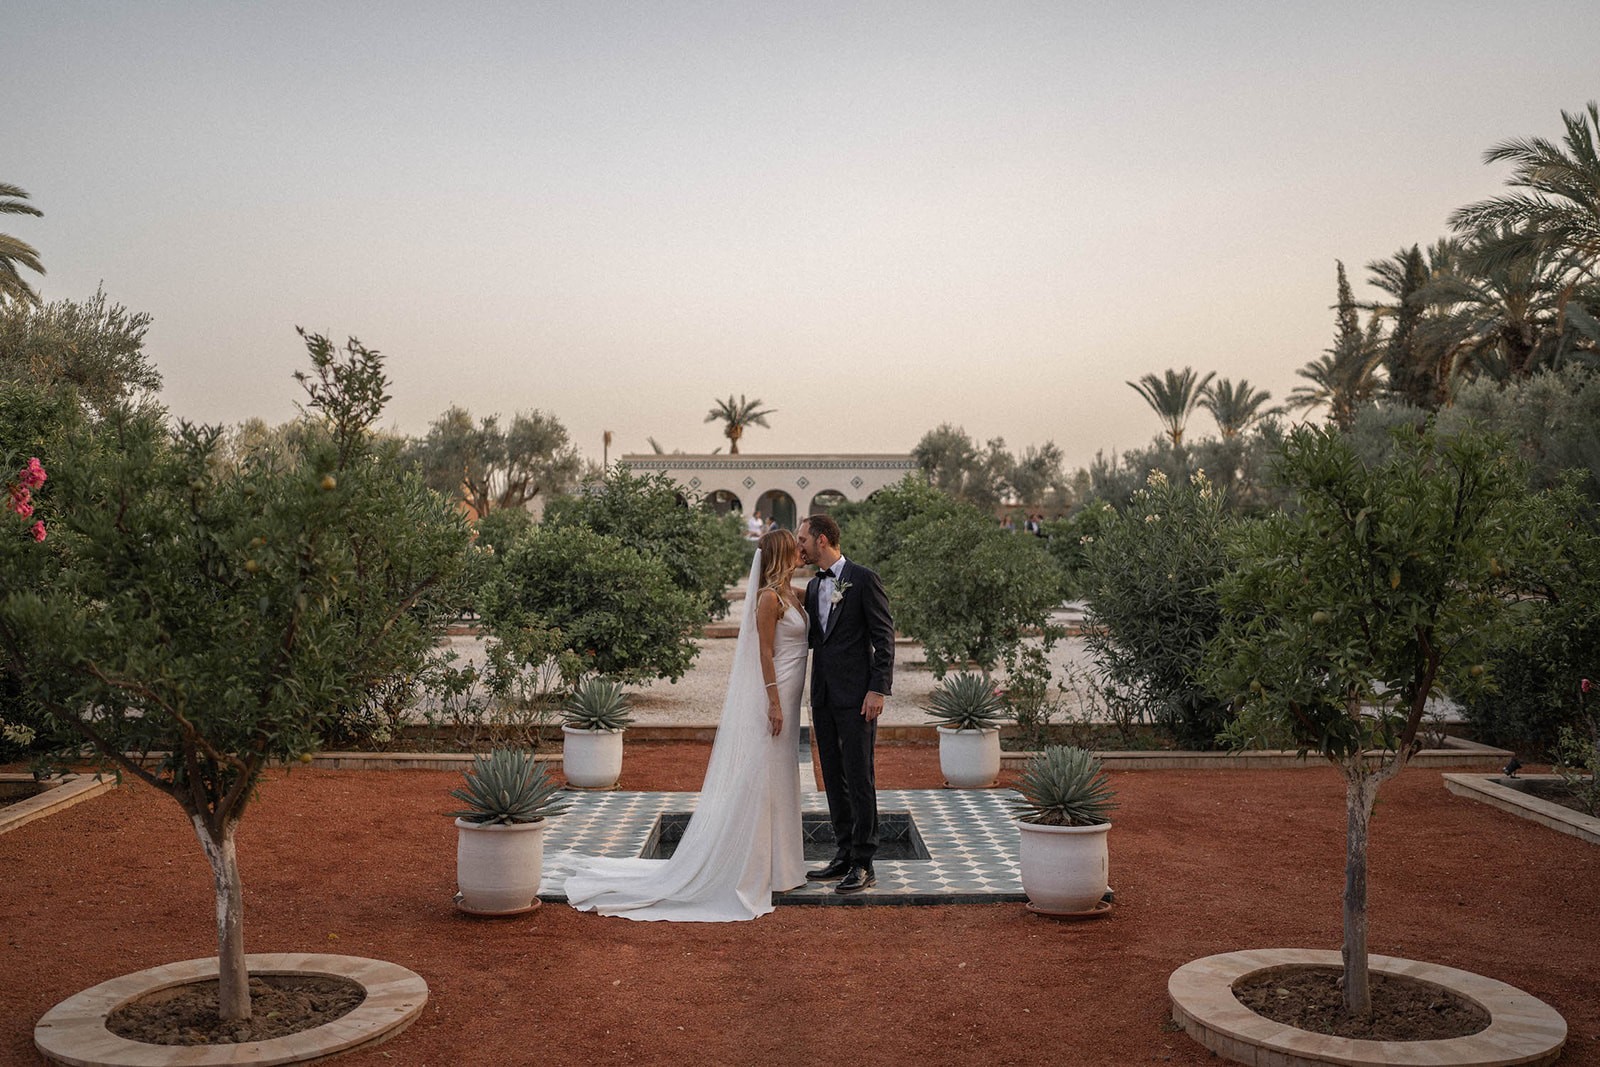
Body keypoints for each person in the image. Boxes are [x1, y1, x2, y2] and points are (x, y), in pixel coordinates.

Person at [558, 529, 807, 921]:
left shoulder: (794, 594)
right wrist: (773, 702)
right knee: (764, 775)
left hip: (794, 698)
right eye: (796, 547)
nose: (802, 550)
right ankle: (755, 865)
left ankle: (785, 865)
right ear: (782, 554)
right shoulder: (769, 599)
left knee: (783, 774)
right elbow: (764, 651)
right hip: (776, 697)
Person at [796, 514, 894, 894]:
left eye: (803, 539)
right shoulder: (813, 585)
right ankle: (843, 852)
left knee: (859, 776)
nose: (799, 545)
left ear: (822, 540)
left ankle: (864, 862)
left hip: (858, 698)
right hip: (821, 696)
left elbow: (884, 638)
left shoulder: (864, 578)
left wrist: (877, 689)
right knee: (832, 777)